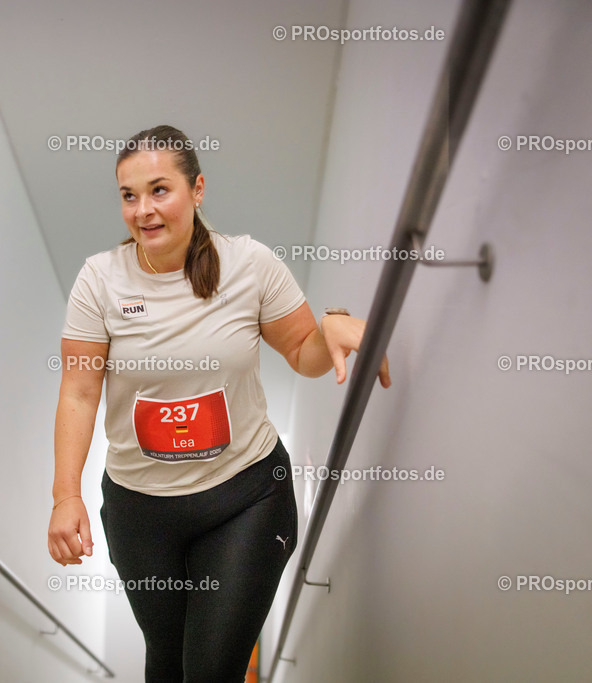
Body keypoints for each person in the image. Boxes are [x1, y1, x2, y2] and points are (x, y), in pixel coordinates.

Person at [48, 124, 391, 682]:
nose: (143, 210)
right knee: (166, 656)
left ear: (198, 189)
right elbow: (80, 390)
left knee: (210, 670)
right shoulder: (100, 279)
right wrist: (66, 495)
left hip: (245, 496)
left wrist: (327, 328)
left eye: (160, 190)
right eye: (128, 196)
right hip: (141, 511)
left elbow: (301, 350)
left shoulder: (248, 265)